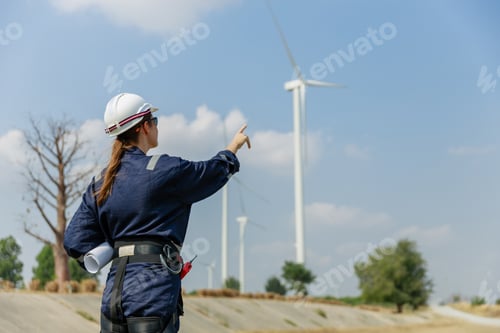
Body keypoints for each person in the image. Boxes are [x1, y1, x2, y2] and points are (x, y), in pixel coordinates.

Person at [64, 92, 250, 333]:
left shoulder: (100, 182)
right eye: (155, 121)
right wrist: (232, 147)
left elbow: (74, 241)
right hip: (152, 291)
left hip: (114, 292)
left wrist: (115, 249)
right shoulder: (164, 170)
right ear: (144, 126)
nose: (157, 127)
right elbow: (210, 173)